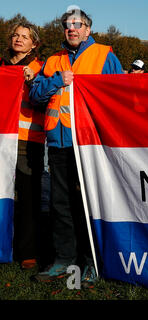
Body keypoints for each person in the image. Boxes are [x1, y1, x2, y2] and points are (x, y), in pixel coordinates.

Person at [29, 8, 123, 287]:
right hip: (57, 144)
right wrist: (58, 80)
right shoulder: (53, 60)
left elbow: (118, 96)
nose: (72, 29)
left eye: (77, 24)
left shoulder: (105, 55)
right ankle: (63, 259)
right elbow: (35, 95)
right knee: (60, 205)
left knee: (88, 204)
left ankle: (92, 261)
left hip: (89, 145)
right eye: (67, 25)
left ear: (87, 29)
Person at [0, 22, 45, 270]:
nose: (18, 39)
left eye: (25, 37)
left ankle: (28, 251)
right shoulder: (1, 66)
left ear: (34, 44)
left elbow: (45, 101)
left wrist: (33, 82)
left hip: (29, 141)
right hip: (2, 140)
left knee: (28, 197)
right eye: (15, 35)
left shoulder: (40, 68)